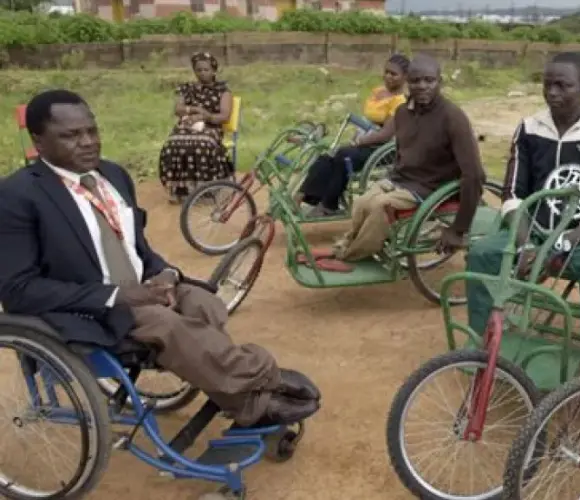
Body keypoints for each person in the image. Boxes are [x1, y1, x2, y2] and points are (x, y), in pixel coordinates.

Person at [0, 89, 320, 429]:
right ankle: (262, 383)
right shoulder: (18, 196)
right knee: (167, 324)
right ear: (39, 140)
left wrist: (165, 274)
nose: (88, 142)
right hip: (89, 306)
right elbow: (18, 289)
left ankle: (239, 394)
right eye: (71, 135)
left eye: (92, 131)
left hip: (142, 287)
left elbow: (135, 248)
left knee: (205, 304)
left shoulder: (113, 176)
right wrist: (117, 295)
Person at [465, 52, 580, 372]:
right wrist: (527, 243)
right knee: (481, 254)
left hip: (579, 234)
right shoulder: (529, 129)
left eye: (563, 85)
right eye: (547, 84)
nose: (553, 92)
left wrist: (568, 240)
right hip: (531, 227)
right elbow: (513, 193)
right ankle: (482, 339)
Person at [313, 54, 485, 266]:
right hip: (401, 179)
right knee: (361, 202)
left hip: (430, 187)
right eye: (415, 81)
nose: (422, 86)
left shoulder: (453, 117)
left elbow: (474, 175)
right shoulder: (403, 112)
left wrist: (459, 229)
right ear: (407, 83)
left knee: (380, 207)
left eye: (429, 80)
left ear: (440, 82)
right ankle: (347, 243)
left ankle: (352, 256)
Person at [295, 54, 410, 218]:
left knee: (343, 156)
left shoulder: (400, 101)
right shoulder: (379, 92)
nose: (388, 76)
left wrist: (359, 141)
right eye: (386, 72)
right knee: (327, 155)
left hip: (383, 149)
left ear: (405, 77)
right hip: (367, 139)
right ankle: (302, 197)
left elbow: (385, 135)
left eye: (394, 74)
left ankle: (329, 205)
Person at [158, 52, 235, 204]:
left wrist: (205, 116)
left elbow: (224, 116)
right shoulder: (187, 88)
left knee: (202, 143)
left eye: (206, 70)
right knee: (173, 143)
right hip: (187, 125)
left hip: (211, 127)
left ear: (213, 71)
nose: (202, 73)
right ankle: (179, 189)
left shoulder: (223, 91)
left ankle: (206, 189)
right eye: (199, 70)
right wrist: (194, 111)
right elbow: (178, 109)